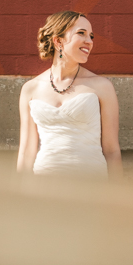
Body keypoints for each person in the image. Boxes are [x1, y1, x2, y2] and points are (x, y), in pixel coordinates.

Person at [17, 11, 123, 179]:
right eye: (81, 33)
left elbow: (112, 151)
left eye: (91, 36)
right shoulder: (30, 89)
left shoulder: (102, 87)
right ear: (58, 41)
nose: (89, 41)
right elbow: (26, 152)